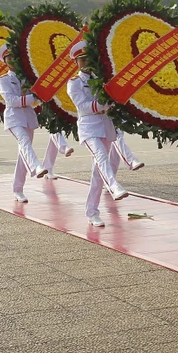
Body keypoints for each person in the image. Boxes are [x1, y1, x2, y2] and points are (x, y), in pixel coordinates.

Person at [65, 40, 129, 227]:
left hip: (105, 126)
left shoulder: (102, 78)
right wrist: (104, 104)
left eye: (88, 59)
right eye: (82, 60)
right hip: (89, 127)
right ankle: (114, 186)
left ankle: (92, 211)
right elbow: (83, 106)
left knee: (97, 171)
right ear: (76, 63)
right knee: (101, 156)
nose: (86, 63)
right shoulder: (74, 83)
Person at [0, 44, 48, 202]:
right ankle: (36, 166)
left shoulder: (27, 77)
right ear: (4, 60)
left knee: (23, 153)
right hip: (14, 117)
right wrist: (33, 98)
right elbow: (11, 101)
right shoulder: (3, 79)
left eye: (14, 57)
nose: (12, 60)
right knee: (24, 142)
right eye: (8, 58)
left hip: (28, 117)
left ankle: (18, 188)